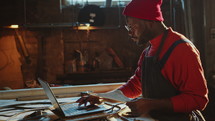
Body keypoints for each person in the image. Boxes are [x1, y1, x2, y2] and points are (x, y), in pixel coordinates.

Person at [76, 0, 209, 120]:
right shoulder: (147, 52)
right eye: (128, 28)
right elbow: (135, 86)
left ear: (150, 21)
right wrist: (104, 98)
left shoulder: (181, 50)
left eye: (132, 27)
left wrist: (150, 104)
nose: (130, 33)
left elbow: (198, 99)